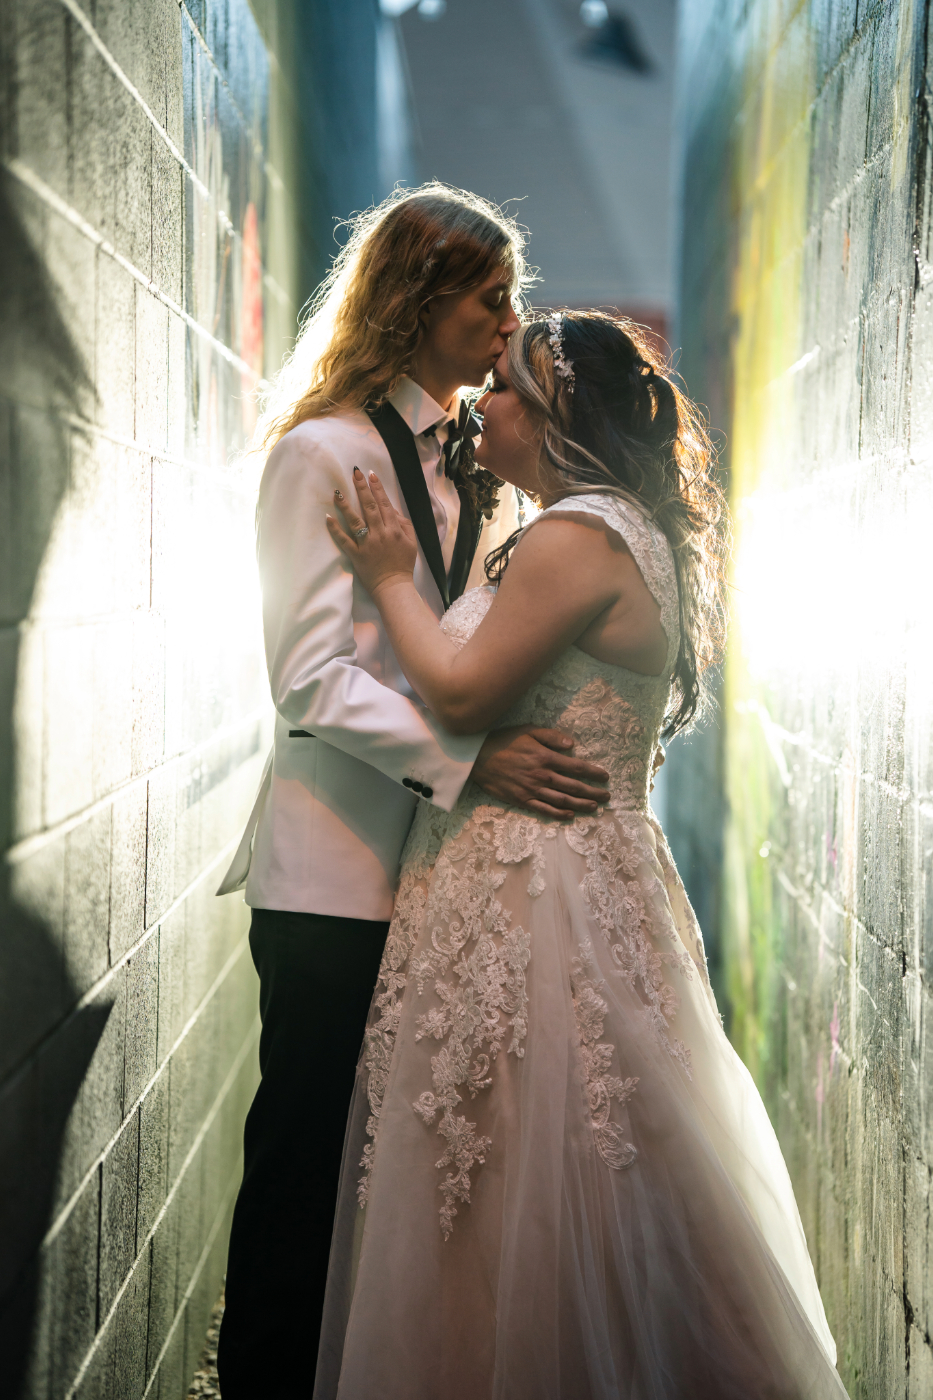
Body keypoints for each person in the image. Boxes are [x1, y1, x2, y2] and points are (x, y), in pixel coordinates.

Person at [316, 311, 851, 1399]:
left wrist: (387, 575)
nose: (484, 404)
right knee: (544, 1171)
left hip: (539, 903)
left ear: (556, 414)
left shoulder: (579, 536)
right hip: (567, 883)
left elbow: (460, 690)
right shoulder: (605, 526)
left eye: (505, 387)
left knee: (532, 1171)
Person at [214, 189, 612, 1399]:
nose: (509, 319)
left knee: (394, 1174)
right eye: (490, 295)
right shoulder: (319, 452)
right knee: (303, 1161)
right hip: (333, 873)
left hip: (448, 881)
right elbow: (308, 680)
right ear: (417, 298)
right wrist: (473, 760)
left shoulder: (479, 465)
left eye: (509, 293)